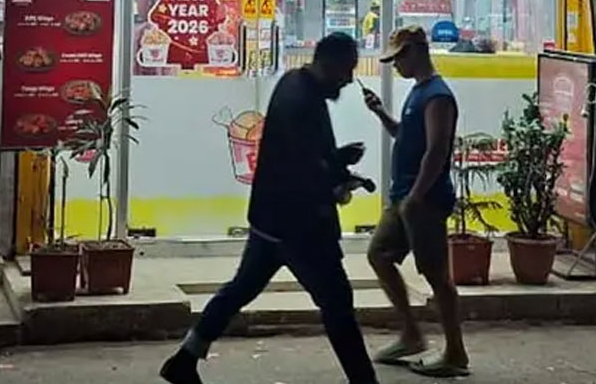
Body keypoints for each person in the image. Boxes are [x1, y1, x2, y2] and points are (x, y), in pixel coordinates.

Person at [161, 32, 378, 384]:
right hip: (301, 228)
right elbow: (302, 166)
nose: (349, 79)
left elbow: (301, 155)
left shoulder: (294, 85)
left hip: (269, 221)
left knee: (239, 290)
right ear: (329, 63)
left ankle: (186, 358)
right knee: (338, 304)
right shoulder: (302, 99)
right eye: (347, 70)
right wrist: (337, 172)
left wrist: (338, 162)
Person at [364, 26, 468, 378]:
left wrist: (418, 196)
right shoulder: (419, 92)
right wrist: (380, 113)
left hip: (423, 200)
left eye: (398, 58)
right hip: (405, 197)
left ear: (416, 52)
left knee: (437, 275)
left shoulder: (438, 96)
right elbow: (406, 136)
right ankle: (411, 335)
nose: (395, 65)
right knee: (379, 254)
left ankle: (455, 352)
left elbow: (437, 150)